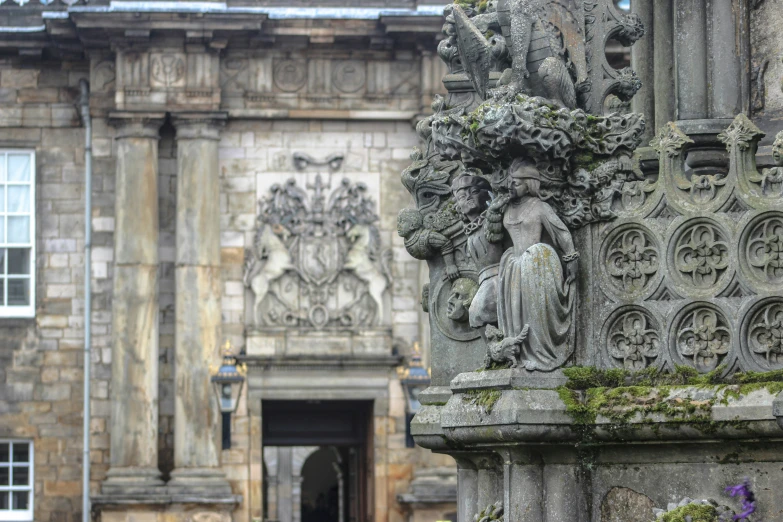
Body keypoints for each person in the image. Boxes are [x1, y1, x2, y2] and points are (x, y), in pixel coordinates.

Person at [486, 157, 579, 371]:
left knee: (535, 315)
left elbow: (561, 232)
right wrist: (493, 212)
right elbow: (495, 237)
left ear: (529, 184)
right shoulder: (507, 208)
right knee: (515, 314)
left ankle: (538, 353)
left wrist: (571, 257)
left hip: (537, 263)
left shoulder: (539, 207)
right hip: (512, 265)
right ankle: (517, 354)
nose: (511, 186)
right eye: (510, 182)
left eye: (516, 182)